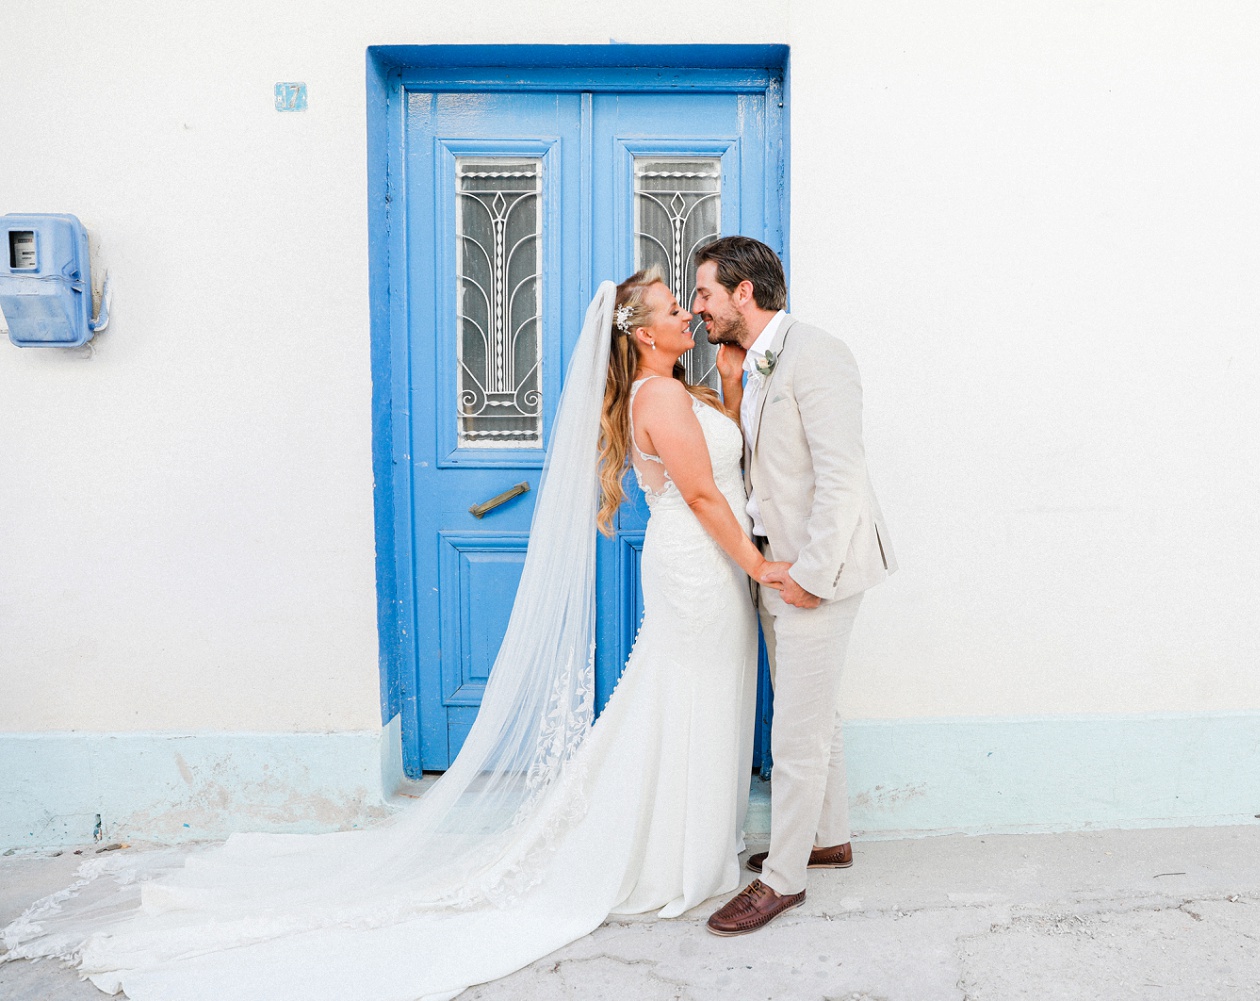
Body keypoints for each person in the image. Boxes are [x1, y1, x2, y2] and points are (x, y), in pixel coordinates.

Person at [0, 272, 780, 1001]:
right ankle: (668, 855)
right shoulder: (662, 399)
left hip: (706, 566)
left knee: (692, 698)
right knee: (684, 698)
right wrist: (757, 564)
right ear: (642, 334)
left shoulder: (680, 389)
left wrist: (738, 378)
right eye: (676, 306)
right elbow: (708, 495)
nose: (688, 313)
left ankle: (687, 843)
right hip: (699, 565)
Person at [692, 237, 897, 936]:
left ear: (743, 292)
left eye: (706, 294)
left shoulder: (819, 353)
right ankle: (826, 838)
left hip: (818, 571)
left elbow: (842, 476)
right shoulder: (750, 363)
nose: (699, 308)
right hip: (775, 567)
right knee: (815, 712)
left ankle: (781, 879)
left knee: (797, 731)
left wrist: (810, 577)